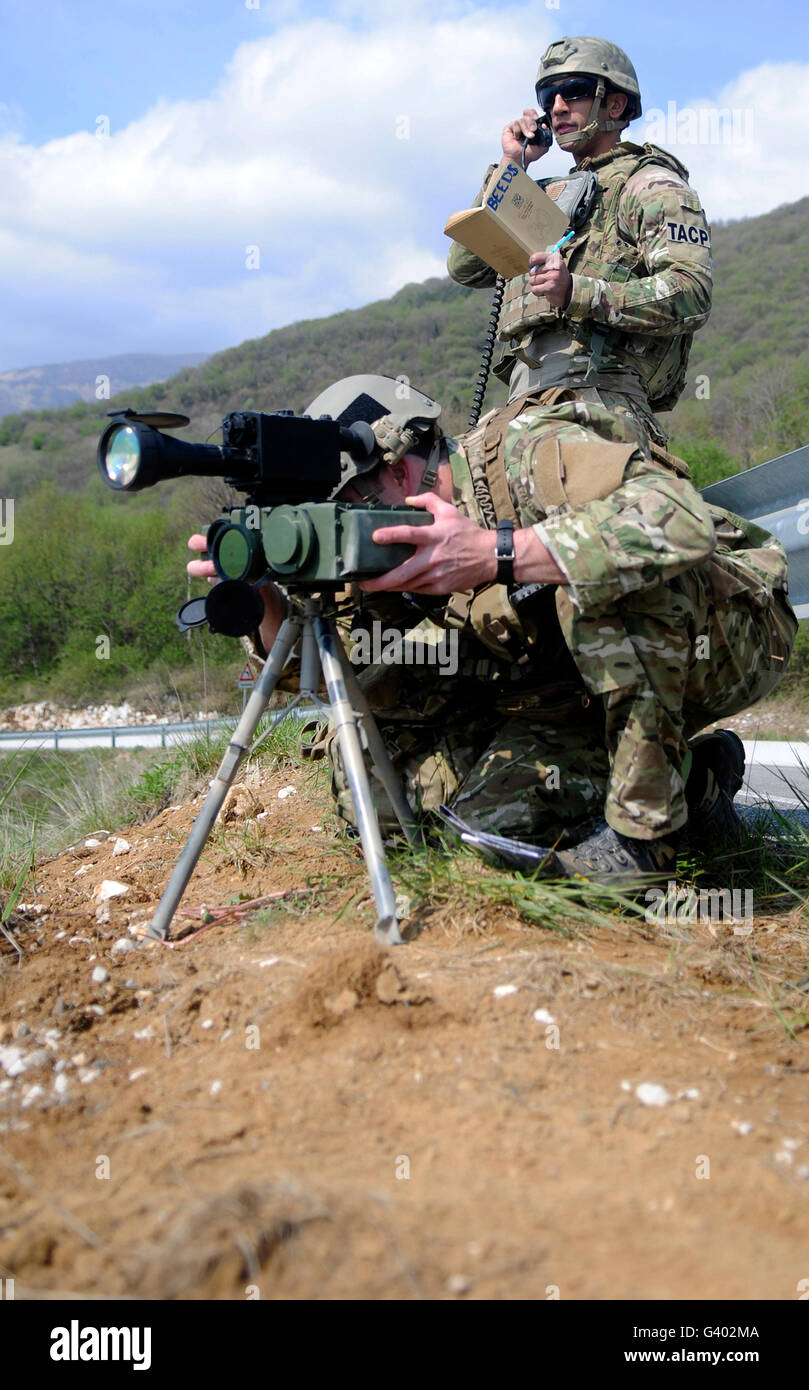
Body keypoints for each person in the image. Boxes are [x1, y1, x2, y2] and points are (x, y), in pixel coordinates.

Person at [187, 370, 798, 887]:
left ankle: (648, 841)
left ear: (400, 471)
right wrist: (264, 590)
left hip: (726, 627)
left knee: (600, 579)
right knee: (443, 829)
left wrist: (495, 552)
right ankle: (696, 785)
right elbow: (315, 673)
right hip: (566, 690)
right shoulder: (361, 537)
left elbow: (682, 522)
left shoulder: (527, 450)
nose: (335, 529)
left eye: (344, 504)